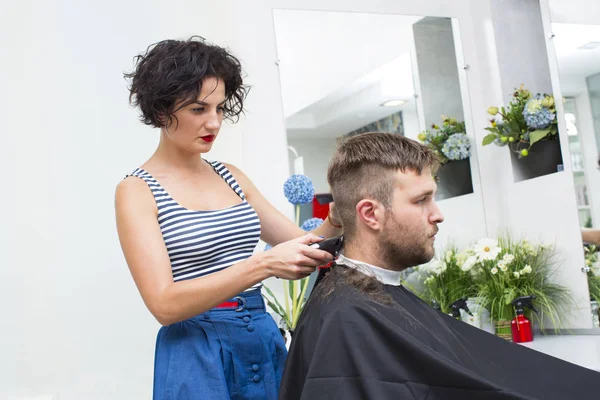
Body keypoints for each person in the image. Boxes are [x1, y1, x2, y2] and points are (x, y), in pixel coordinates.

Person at [279, 132, 600, 400]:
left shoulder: (354, 300)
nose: (437, 214)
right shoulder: (348, 317)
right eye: (421, 201)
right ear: (371, 214)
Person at [114, 36, 342, 400]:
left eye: (220, 108)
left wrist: (336, 219)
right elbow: (164, 304)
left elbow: (301, 244)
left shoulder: (230, 175)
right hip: (195, 348)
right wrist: (263, 265)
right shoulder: (137, 190)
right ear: (160, 111)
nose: (215, 122)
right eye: (198, 109)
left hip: (261, 335)